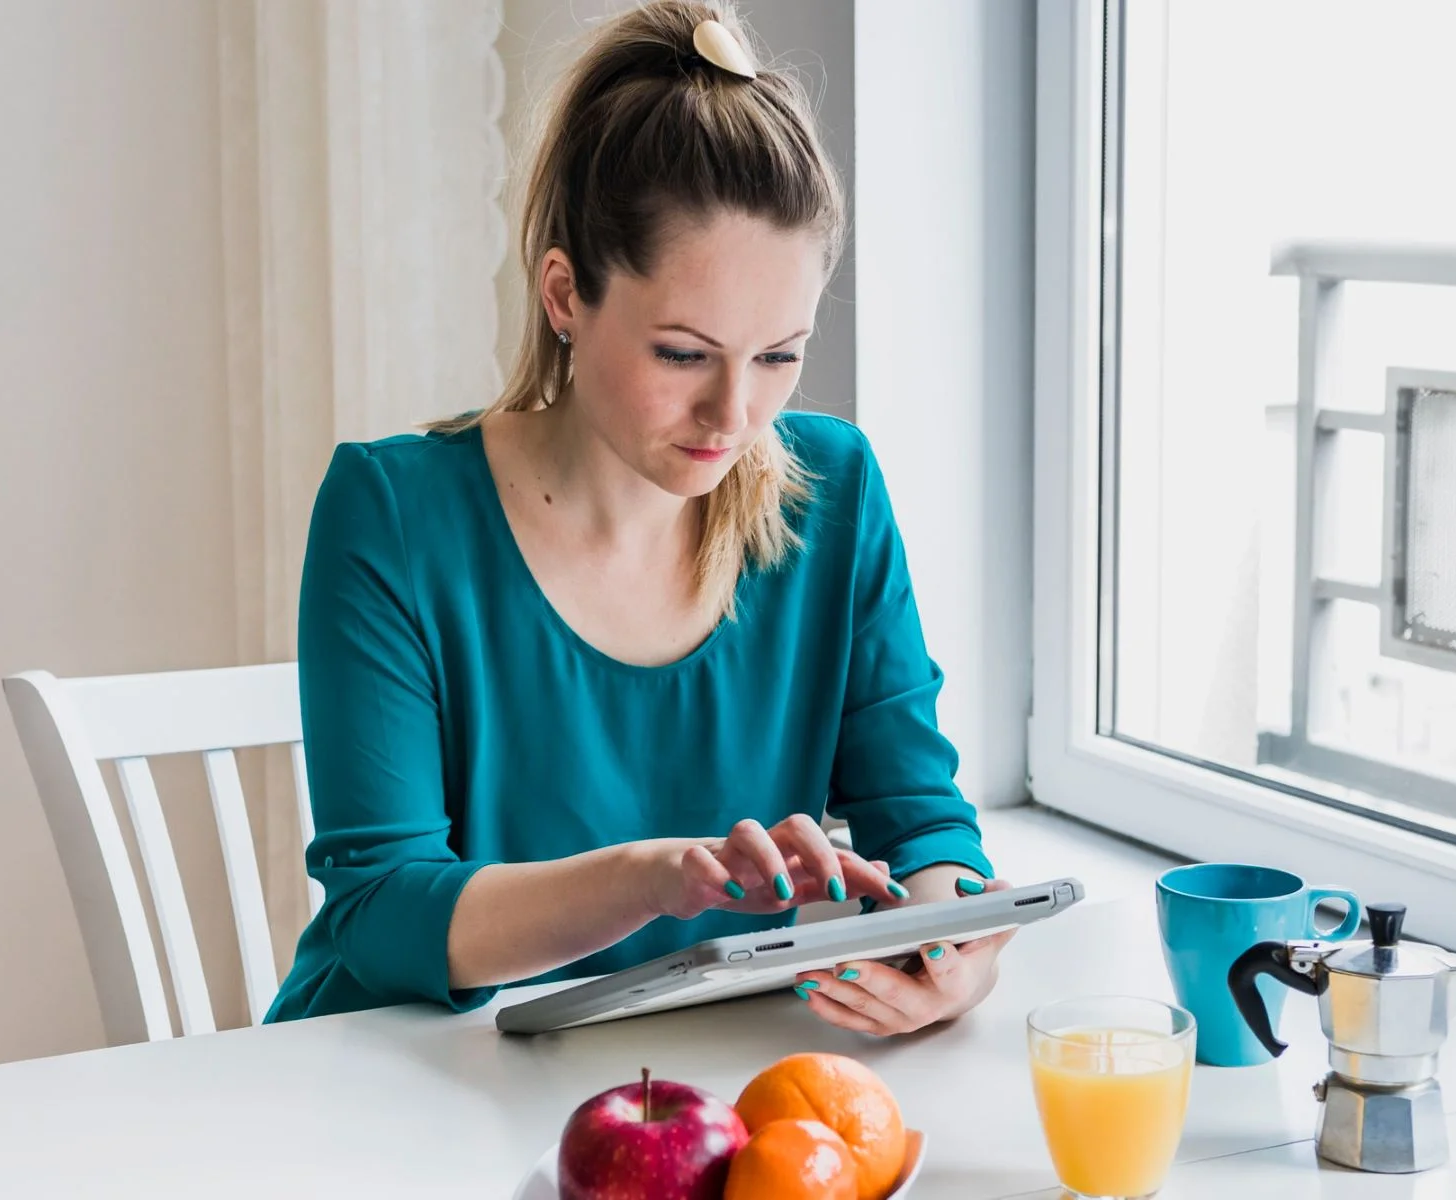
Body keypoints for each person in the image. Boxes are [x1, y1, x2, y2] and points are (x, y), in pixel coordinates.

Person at [265, 0, 1012, 1037]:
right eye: (683, 353)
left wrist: (950, 952)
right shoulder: (391, 516)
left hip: (685, 1079)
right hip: (399, 1080)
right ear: (565, 295)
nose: (736, 414)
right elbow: (383, 916)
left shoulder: (833, 492)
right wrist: (657, 880)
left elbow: (925, 822)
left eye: (780, 355)